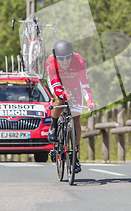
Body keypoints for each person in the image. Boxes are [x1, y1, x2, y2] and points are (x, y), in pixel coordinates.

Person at [45, 39, 96, 173]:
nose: (65, 61)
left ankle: (74, 155)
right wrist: (63, 94)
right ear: (56, 57)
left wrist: (89, 101)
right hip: (59, 84)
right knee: (59, 101)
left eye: (68, 57)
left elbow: (85, 84)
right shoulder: (50, 62)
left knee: (76, 119)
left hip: (74, 85)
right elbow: (55, 85)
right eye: (61, 59)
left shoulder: (79, 61)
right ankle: (54, 126)